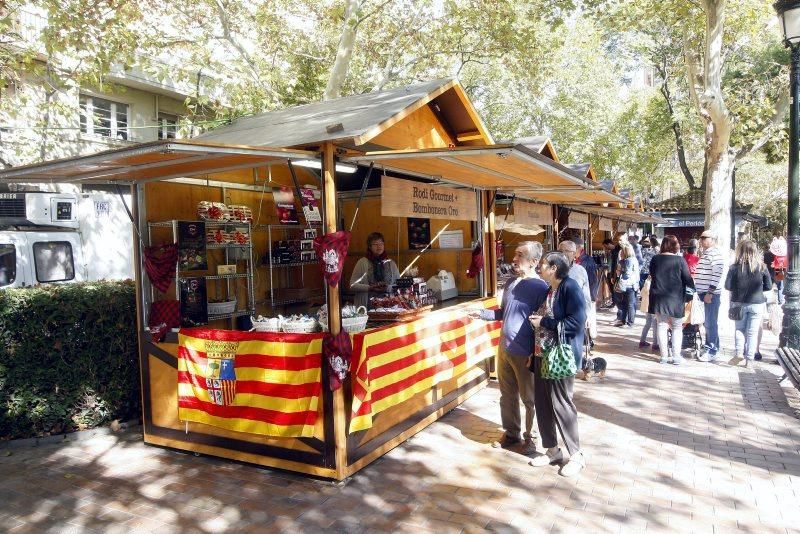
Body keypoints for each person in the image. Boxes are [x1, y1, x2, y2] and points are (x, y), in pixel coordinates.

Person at [469, 242, 548, 454]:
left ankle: (531, 438)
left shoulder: (541, 288)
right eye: (515, 254)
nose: (514, 259)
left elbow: (543, 324)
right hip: (504, 348)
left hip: (526, 353)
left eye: (520, 255)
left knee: (530, 399)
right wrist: (483, 314)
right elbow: (504, 313)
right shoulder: (511, 282)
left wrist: (535, 352)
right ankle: (511, 433)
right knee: (507, 395)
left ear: (534, 262)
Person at [528, 252, 586, 477]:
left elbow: (576, 322)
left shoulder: (570, 287)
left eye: (542, 264)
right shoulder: (549, 289)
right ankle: (552, 449)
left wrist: (544, 321)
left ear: (553, 268)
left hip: (561, 355)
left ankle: (576, 454)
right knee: (542, 401)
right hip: (542, 353)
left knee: (561, 403)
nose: (539, 268)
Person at [725, 239, 772, 368]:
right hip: (757, 303)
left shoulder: (734, 268)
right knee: (752, 332)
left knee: (739, 329)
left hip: (738, 303)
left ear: (739, 251)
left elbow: (727, 286)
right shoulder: (762, 267)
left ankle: (739, 352)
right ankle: (749, 360)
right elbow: (768, 286)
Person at [648, 235, 695, 365]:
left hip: (658, 297)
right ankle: (676, 356)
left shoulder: (655, 259)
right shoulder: (680, 261)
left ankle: (663, 356)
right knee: (676, 327)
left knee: (661, 326)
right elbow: (688, 279)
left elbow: (652, 275)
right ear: (675, 246)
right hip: (676, 298)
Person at [695, 229, 725, 362]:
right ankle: (712, 347)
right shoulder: (707, 253)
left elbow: (717, 274)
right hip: (703, 292)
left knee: (710, 322)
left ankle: (712, 349)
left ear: (713, 240)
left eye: (704, 238)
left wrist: (710, 292)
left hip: (710, 294)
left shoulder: (715, 254)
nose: (701, 240)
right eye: (701, 238)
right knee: (708, 322)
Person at [349, 232, 400, 308]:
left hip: (389, 306)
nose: (379, 246)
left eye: (381, 243)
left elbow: (399, 285)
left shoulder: (391, 263)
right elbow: (352, 285)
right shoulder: (362, 262)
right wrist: (369, 287)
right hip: (368, 305)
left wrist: (387, 287)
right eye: (375, 244)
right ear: (369, 246)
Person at [613, 241, 640, 328]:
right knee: (629, 304)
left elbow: (626, 274)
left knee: (627, 304)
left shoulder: (625, 261)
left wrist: (620, 271)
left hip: (626, 285)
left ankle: (628, 322)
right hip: (634, 284)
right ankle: (626, 321)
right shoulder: (635, 260)